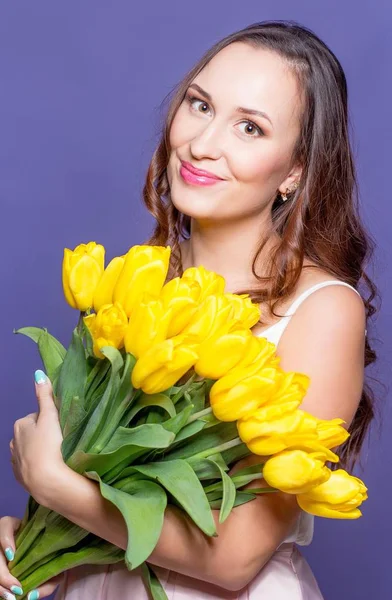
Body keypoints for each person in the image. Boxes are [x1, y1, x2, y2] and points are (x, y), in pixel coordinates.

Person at [0, 20, 378, 600]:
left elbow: (233, 560)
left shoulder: (322, 310)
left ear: (296, 171)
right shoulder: (139, 278)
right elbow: (117, 487)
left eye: (250, 127)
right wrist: (37, 543)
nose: (203, 143)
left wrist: (57, 487)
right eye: (200, 105)